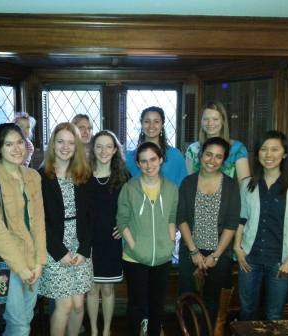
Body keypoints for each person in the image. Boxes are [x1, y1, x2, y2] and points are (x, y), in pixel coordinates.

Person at [234, 130, 288, 321]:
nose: (269, 155)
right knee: (246, 311)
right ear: (257, 153)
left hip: (281, 261)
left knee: (274, 314)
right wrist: (237, 247)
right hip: (249, 259)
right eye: (264, 149)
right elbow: (241, 218)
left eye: (275, 149)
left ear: (284, 154)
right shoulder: (247, 185)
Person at [0, 123, 46, 335]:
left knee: (26, 318)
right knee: (20, 325)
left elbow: (39, 222)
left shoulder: (33, 176)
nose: (17, 149)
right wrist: (21, 269)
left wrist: (38, 262)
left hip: (32, 260)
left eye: (19, 142)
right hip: (7, 263)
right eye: (9, 144)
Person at [177, 137, 240, 326]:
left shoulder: (230, 185)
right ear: (201, 155)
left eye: (218, 157)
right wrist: (194, 251)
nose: (212, 160)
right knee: (186, 300)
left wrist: (216, 255)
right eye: (209, 154)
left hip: (219, 253)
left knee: (214, 304)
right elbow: (181, 218)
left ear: (224, 160)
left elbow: (231, 223)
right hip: (191, 251)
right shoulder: (188, 183)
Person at [38, 122, 93, 336]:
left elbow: (90, 217)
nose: (65, 147)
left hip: (80, 245)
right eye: (60, 141)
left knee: (79, 305)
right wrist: (59, 252)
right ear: (53, 144)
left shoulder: (83, 174)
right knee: (65, 305)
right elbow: (39, 220)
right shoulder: (40, 176)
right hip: (54, 247)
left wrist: (83, 250)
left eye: (71, 143)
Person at [117, 141, 178, 336]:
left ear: (160, 160)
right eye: (143, 161)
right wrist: (133, 246)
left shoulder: (171, 188)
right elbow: (122, 220)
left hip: (162, 256)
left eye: (153, 159)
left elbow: (171, 219)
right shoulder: (129, 188)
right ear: (137, 164)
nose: (149, 165)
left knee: (157, 305)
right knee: (136, 305)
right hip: (134, 258)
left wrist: (169, 244)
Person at [86, 130, 129, 336]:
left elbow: (132, 207)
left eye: (108, 146)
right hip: (89, 240)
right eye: (99, 146)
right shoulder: (82, 175)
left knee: (108, 289)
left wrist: (124, 226)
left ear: (115, 150)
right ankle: (94, 330)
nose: (104, 151)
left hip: (112, 241)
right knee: (92, 289)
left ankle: (106, 330)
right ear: (93, 149)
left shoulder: (123, 176)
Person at [185, 101, 250, 182]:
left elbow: (244, 185)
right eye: (206, 119)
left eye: (215, 119)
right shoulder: (193, 149)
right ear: (201, 121)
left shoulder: (237, 149)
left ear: (223, 121)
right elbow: (189, 182)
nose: (210, 123)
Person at [125, 106, 187, 188]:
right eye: (147, 121)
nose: (151, 125)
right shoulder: (129, 158)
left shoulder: (176, 156)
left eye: (156, 122)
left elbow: (183, 187)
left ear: (162, 125)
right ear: (141, 124)